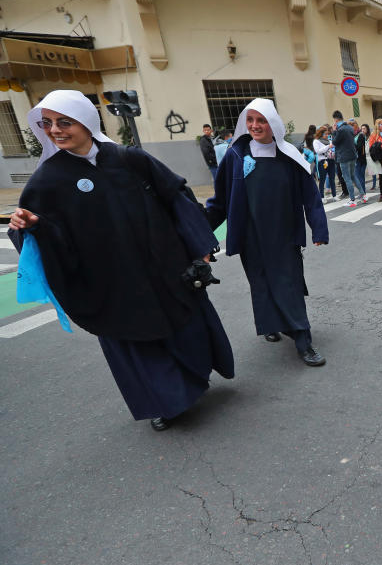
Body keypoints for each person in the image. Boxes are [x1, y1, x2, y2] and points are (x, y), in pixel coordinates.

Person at [8, 90, 234, 432]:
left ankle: (194, 379)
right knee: (134, 339)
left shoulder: (130, 159)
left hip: (164, 266)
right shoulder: (47, 180)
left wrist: (200, 245)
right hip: (110, 282)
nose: (55, 130)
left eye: (64, 121)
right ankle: (164, 401)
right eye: (48, 123)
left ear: (86, 121)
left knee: (185, 327)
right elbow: (40, 234)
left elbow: (176, 196)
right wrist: (30, 226)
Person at [206, 98, 328, 367]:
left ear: (272, 124)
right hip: (251, 237)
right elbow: (220, 200)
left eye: (261, 120)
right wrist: (201, 234)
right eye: (250, 120)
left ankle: (303, 341)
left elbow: (311, 196)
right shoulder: (236, 155)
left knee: (289, 284)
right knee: (261, 283)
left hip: (283, 235)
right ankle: (271, 323)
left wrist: (318, 227)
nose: (255, 125)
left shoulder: (289, 156)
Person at [331, 111, 360, 206]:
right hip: (352, 155)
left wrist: (334, 131)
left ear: (335, 119)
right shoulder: (349, 127)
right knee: (353, 176)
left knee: (347, 178)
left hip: (343, 156)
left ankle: (352, 200)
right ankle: (363, 195)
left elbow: (334, 142)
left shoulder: (340, 129)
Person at [313, 125, 337, 200]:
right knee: (322, 179)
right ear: (321, 134)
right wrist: (328, 147)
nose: (327, 135)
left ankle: (334, 195)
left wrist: (333, 152)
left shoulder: (329, 141)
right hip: (323, 161)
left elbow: (333, 149)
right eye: (325, 134)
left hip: (331, 160)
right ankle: (322, 197)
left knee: (332, 178)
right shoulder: (316, 141)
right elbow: (318, 151)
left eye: (327, 134)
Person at [348, 119, 368, 202]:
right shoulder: (354, 135)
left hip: (360, 159)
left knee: (359, 177)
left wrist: (351, 146)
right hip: (358, 158)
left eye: (351, 126)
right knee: (359, 176)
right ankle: (362, 193)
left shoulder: (360, 135)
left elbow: (359, 147)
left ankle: (362, 193)